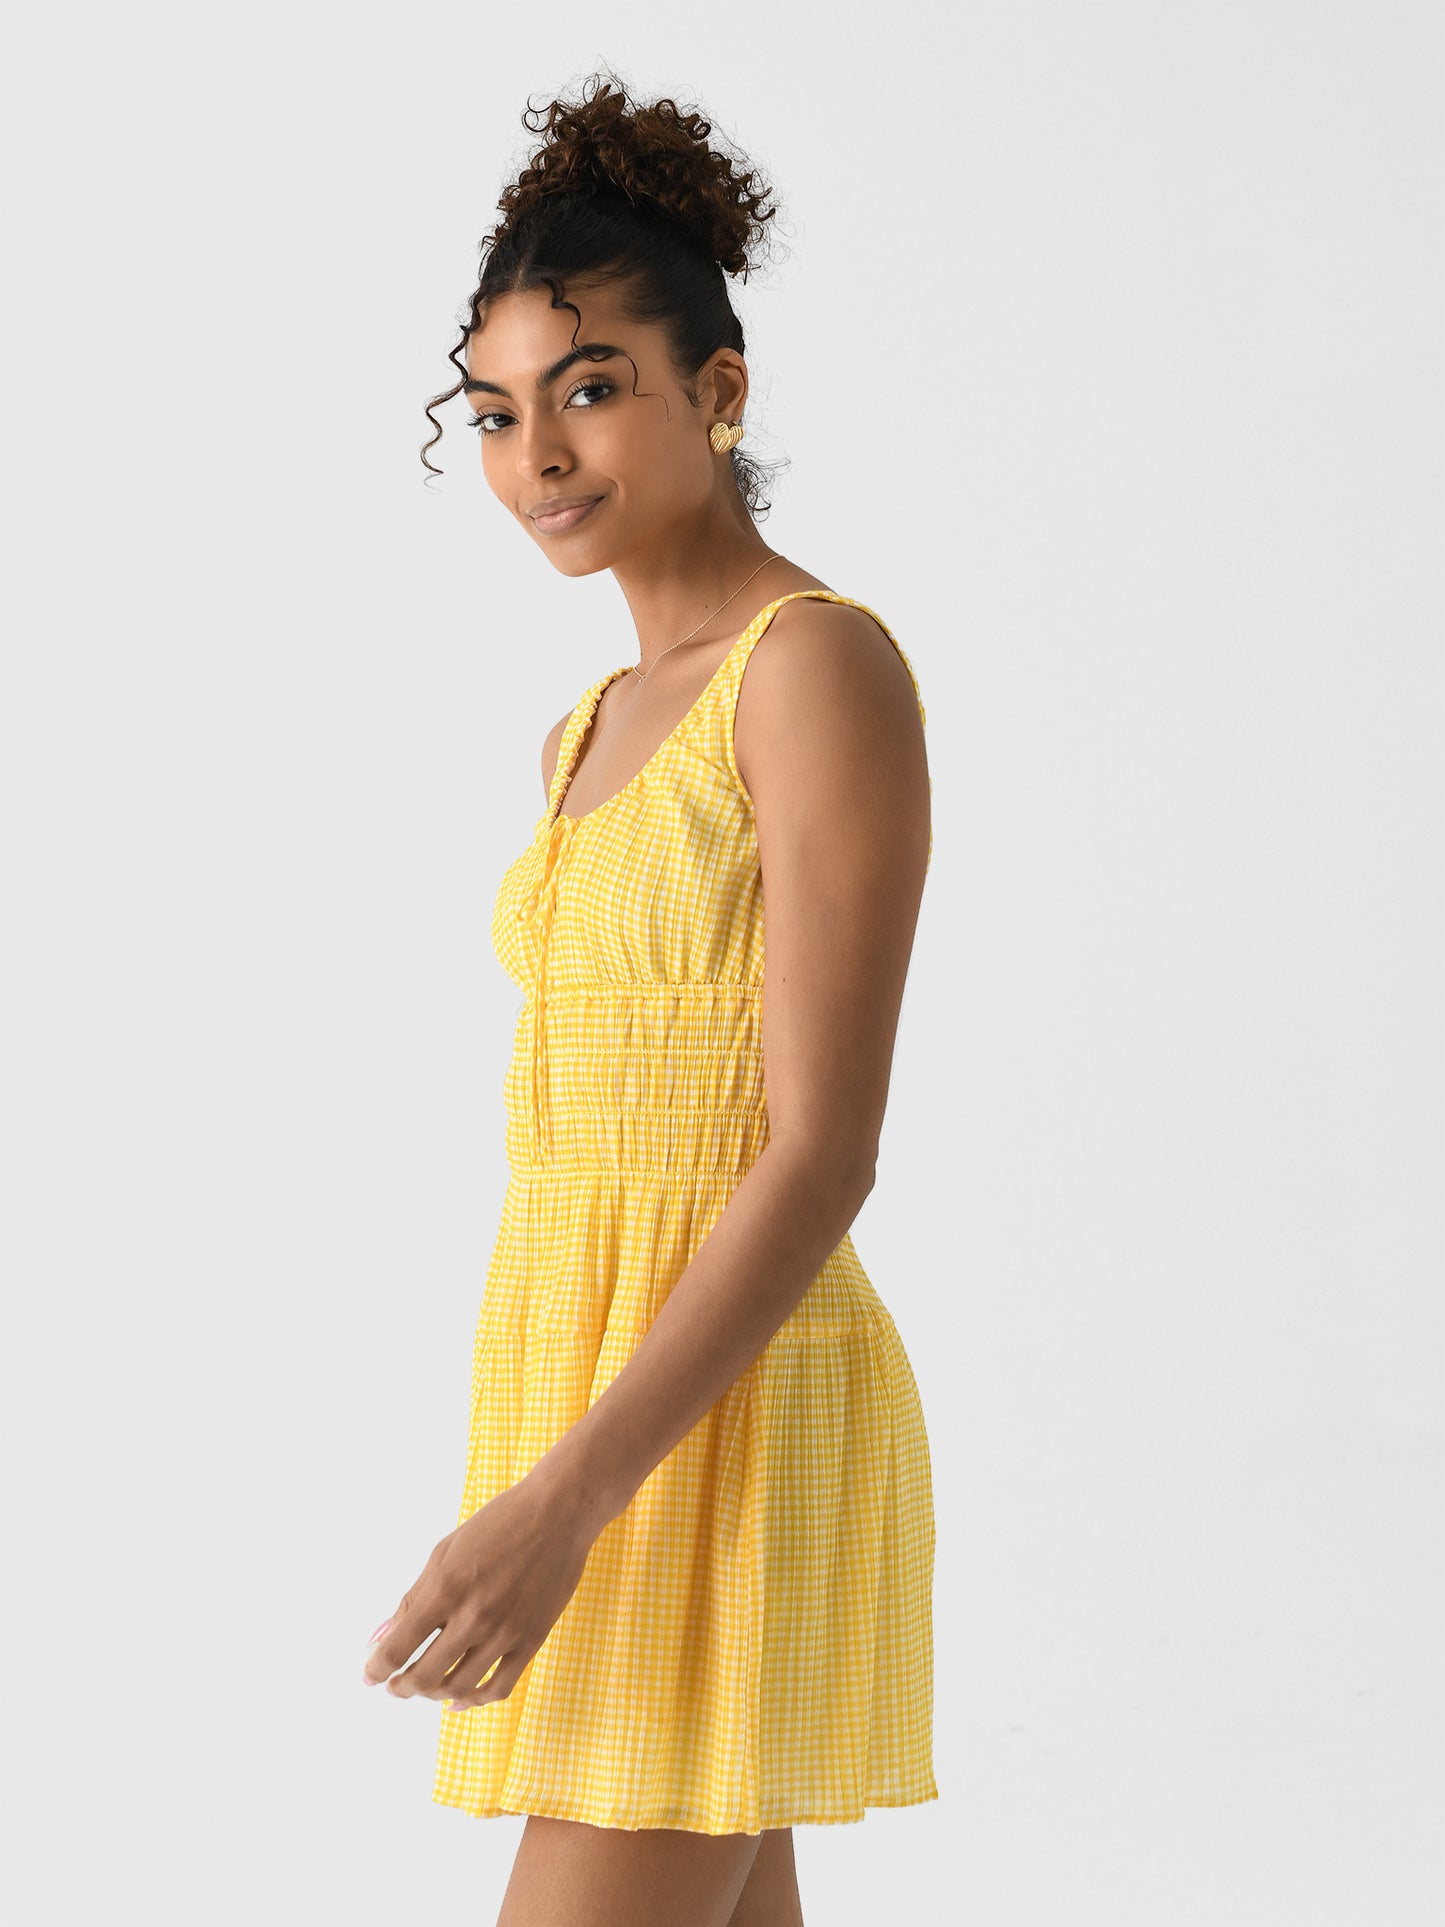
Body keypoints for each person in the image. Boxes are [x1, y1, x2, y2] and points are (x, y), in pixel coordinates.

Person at [362, 70, 937, 1927]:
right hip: (587, 1390)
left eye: (590, 387)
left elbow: (821, 1151)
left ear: (719, 388)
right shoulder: (588, 727)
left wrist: (564, 1504)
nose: (537, 453)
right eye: (495, 411)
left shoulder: (810, 668)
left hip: (721, 1420)